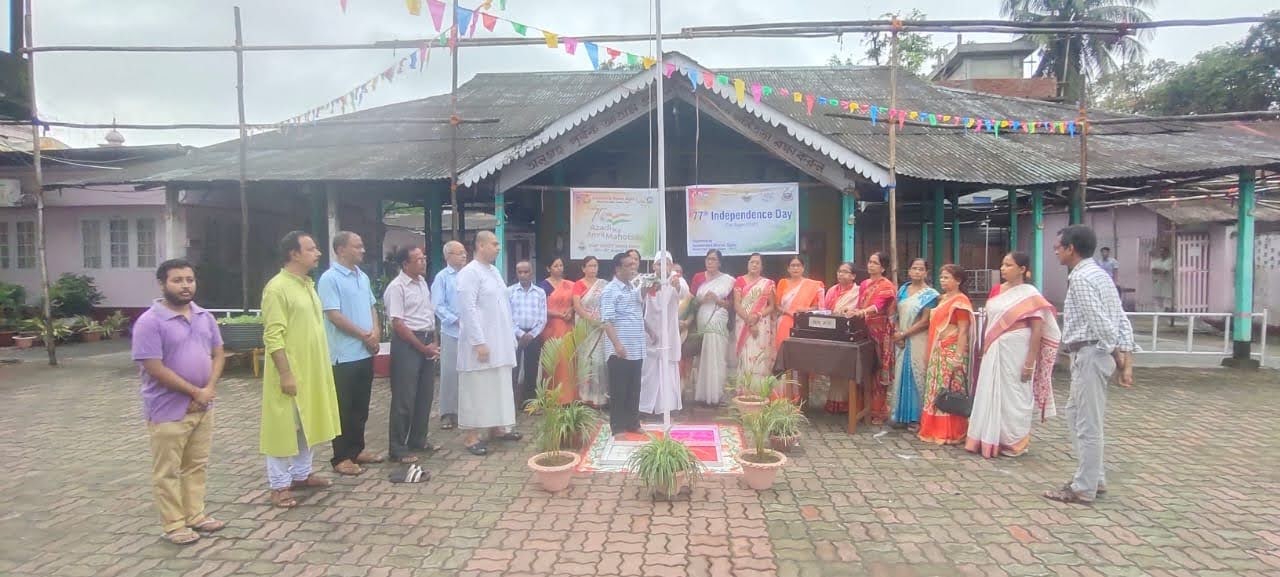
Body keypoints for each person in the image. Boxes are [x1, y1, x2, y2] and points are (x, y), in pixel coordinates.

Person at [131, 259, 227, 545]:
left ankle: (195, 515)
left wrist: (208, 388)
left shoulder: (204, 316)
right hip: (168, 409)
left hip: (203, 406)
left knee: (197, 464)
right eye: (178, 280)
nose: (186, 285)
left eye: (189, 279)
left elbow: (219, 353)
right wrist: (194, 392)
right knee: (168, 470)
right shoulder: (149, 322)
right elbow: (153, 367)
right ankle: (174, 524)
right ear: (163, 284)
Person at [1044, 225, 1135, 505]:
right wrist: (1124, 353)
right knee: (1076, 415)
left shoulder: (1082, 279)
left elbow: (1102, 322)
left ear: (1071, 248)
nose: (1056, 250)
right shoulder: (1100, 275)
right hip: (1091, 353)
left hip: (1091, 353)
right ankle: (1094, 477)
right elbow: (1121, 318)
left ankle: (1084, 487)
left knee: (1087, 423)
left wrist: (1119, 355)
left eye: (1059, 246)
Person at [260, 231, 341, 509]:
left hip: (313, 369)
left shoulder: (307, 284)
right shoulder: (277, 288)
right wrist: (285, 373)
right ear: (294, 254)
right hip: (290, 371)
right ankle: (279, 485)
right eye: (311, 248)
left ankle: (302, 474)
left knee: (307, 424)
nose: (318, 253)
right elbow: (273, 336)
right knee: (283, 428)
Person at [967, 252, 1061, 458]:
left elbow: (1037, 329)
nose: (1003, 268)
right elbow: (989, 322)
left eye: (1008, 265)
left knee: (1015, 393)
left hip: (1018, 349)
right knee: (990, 391)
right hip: (994, 348)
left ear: (1022, 270)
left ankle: (1014, 441)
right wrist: (983, 346)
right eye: (1002, 264)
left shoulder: (1030, 294)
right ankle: (990, 439)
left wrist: (1030, 362)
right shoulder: (996, 291)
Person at [317, 231, 383, 477]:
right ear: (341, 249)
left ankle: (357, 450)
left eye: (362, 245)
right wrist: (364, 336)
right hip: (342, 355)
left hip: (364, 353)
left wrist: (375, 332)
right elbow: (334, 315)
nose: (362, 250)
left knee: (360, 407)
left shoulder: (362, 277)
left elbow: (371, 307)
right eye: (357, 246)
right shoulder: (329, 278)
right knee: (343, 408)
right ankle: (341, 457)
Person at [457, 231, 522, 457]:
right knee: (478, 387)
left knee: (498, 385)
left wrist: (510, 336)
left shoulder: (493, 271)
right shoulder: (469, 273)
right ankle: (472, 436)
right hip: (481, 345)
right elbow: (468, 310)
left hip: (500, 341)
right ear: (481, 246)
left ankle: (497, 427)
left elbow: (502, 306)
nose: (498, 247)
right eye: (494, 244)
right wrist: (479, 342)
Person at [383, 246, 441, 465]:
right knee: (404, 398)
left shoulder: (422, 283)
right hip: (408, 343)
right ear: (405, 264)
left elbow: (428, 315)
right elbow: (398, 323)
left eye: (424, 258)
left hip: (426, 339)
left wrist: (433, 341)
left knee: (424, 395)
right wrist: (421, 346)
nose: (423, 262)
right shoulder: (396, 288)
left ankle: (418, 439)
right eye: (418, 259)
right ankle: (397, 447)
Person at [916, 264, 973, 445]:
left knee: (949, 390)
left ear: (958, 280)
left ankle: (950, 432)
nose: (943, 281)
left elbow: (963, 330)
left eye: (947, 277)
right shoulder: (942, 299)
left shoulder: (961, 301)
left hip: (951, 351)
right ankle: (933, 429)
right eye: (941, 277)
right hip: (937, 349)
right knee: (935, 389)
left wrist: (957, 358)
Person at [845, 252, 896, 424]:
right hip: (863, 330)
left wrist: (862, 312)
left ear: (882, 267)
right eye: (869, 261)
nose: (870, 265)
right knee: (862, 368)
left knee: (877, 370)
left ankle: (878, 411)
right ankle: (860, 407)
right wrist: (854, 311)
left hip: (879, 333)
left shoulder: (887, 286)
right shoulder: (865, 283)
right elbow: (860, 304)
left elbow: (878, 305)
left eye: (875, 263)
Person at [890, 258, 939, 429]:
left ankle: (916, 418)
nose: (917, 272)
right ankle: (900, 415)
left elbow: (925, 321)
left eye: (921, 269)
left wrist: (904, 334)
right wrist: (897, 333)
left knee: (917, 375)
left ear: (926, 272)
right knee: (901, 374)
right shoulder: (903, 290)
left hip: (918, 339)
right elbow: (895, 314)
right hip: (901, 339)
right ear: (909, 271)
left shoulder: (930, 294)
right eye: (914, 268)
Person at [601, 251, 645, 438]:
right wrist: (617, 344)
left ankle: (633, 423)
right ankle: (618, 427)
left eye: (633, 264)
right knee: (619, 389)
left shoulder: (633, 288)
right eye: (628, 265)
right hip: (620, 348)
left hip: (637, 346)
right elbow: (607, 321)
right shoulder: (610, 290)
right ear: (618, 269)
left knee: (634, 388)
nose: (632, 268)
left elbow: (639, 312)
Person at [640, 251, 688, 417]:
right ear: (654, 266)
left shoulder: (677, 279)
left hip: (669, 333)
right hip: (650, 332)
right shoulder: (647, 280)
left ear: (671, 265)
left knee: (668, 368)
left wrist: (676, 285)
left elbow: (684, 293)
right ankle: (646, 407)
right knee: (649, 370)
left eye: (666, 263)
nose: (662, 267)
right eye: (659, 263)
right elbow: (638, 298)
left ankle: (667, 407)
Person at [432, 240, 468, 431]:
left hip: (470, 333)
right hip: (452, 331)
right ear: (448, 256)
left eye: (464, 252)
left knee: (467, 372)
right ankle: (447, 413)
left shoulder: (470, 274)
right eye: (459, 252)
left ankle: (464, 411)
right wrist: (456, 320)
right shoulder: (442, 277)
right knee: (450, 373)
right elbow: (438, 305)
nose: (464, 255)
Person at [693, 250, 734, 406]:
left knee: (717, 356)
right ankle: (703, 395)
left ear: (719, 263)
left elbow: (730, 304)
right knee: (703, 356)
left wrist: (717, 299)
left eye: (714, 260)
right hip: (703, 317)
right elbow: (692, 302)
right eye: (708, 259)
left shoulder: (728, 280)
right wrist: (702, 301)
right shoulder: (698, 278)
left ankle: (716, 395)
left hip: (718, 318)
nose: (710, 262)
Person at [820, 261, 860, 414]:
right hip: (831, 333)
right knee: (835, 369)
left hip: (849, 334)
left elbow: (857, 310)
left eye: (845, 271)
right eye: (839, 271)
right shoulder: (831, 290)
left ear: (853, 276)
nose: (841, 274)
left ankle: (848, 403)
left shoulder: (858, 291)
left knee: (846, 369)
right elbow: (825, 310)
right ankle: (835, 402)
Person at [538, 256, 577, 404]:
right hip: (551, 326)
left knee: (568, 360)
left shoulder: (570, 284)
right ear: (548, 268)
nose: (559, 268)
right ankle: (552, 396)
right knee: (553, 360)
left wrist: (571, 310)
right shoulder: (543, 286)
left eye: (561, 265)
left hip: (568, 326)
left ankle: (568, 397)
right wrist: (557, 314)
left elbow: (578, 302)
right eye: (555, 266)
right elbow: (540, 308)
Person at [572, 256, 609, 407]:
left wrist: (601, 321)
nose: (593, 269)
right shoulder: (578, 285)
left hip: (601, 328)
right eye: (590, 266)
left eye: (595, 266)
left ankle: (599, 398)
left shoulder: (604, 285)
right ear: (583, 268)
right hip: (585, 327)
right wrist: (591, 320)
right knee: (586, 360)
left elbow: (607, 303)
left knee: (599, 362)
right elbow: (577, 306)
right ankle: (585, 396)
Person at [733, 253, 776, 383]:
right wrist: (750, 323)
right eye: (752, 262)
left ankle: (758, 394)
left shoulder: (768, 283)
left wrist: (758, 315)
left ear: (762, 266)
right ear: (748, 264)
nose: (754, 265)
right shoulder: (739, 281)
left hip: (762, 324)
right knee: (745, 356)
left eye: (757, 262)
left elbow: (772, 306)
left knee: (759, 356)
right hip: (743, 323)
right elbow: (737, 304)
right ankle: (744, 393)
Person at [509, 261, 547, 402]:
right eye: (520, 272)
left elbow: (543, 318)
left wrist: (531, 334)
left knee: (532, 368)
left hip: (533, 335)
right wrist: (520, 333)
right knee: (514, 368)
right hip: (514, 335)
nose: (523, 275)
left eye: (526, 272)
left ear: (531, 273)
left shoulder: (540, 292)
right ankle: (511, 402)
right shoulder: (510, 291)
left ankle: (529, 401)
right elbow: (507, 316)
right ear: (516, 273)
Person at [774, 256, 824, 352]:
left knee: (800, 351)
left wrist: (806, 310)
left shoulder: (812, 285)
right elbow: (777, 305)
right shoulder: (782, 282)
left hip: (803, 322)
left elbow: (818, 307)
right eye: (793, 266)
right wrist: (789, 312)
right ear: (788, 269)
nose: (795, 268)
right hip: (785, 321)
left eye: (798, 265)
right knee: (783, 349)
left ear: (803, 268)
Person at [1149, 245, 1174, 326]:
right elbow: (1154, 270)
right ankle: (1159, 318)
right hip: (1157, 282)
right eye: (1160, 251)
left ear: (1167, 252)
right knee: (1158, 300)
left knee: (1167, 300)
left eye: (1163, 251)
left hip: (1167, 282)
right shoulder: (1156, 261)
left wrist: (1159, 270)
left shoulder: (1170, 260)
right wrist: (1160, 270)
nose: (1162, 253)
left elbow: (1165, 271)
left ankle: (1168, 319)